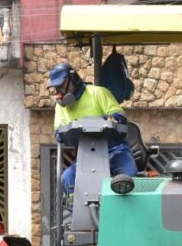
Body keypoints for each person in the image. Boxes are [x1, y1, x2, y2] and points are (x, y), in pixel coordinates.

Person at [50, 63, 137, 195]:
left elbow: (119, 116)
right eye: (56, 89)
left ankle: (124, 213)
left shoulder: (98, 93)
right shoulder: (60, 107)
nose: (59, 93)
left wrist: (112, 119)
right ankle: (77, 214)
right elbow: (59, 133)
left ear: (73, 79)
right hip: (86, 156)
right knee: (67, 178)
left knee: (128, 176)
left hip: (115, 150)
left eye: (61, 87)